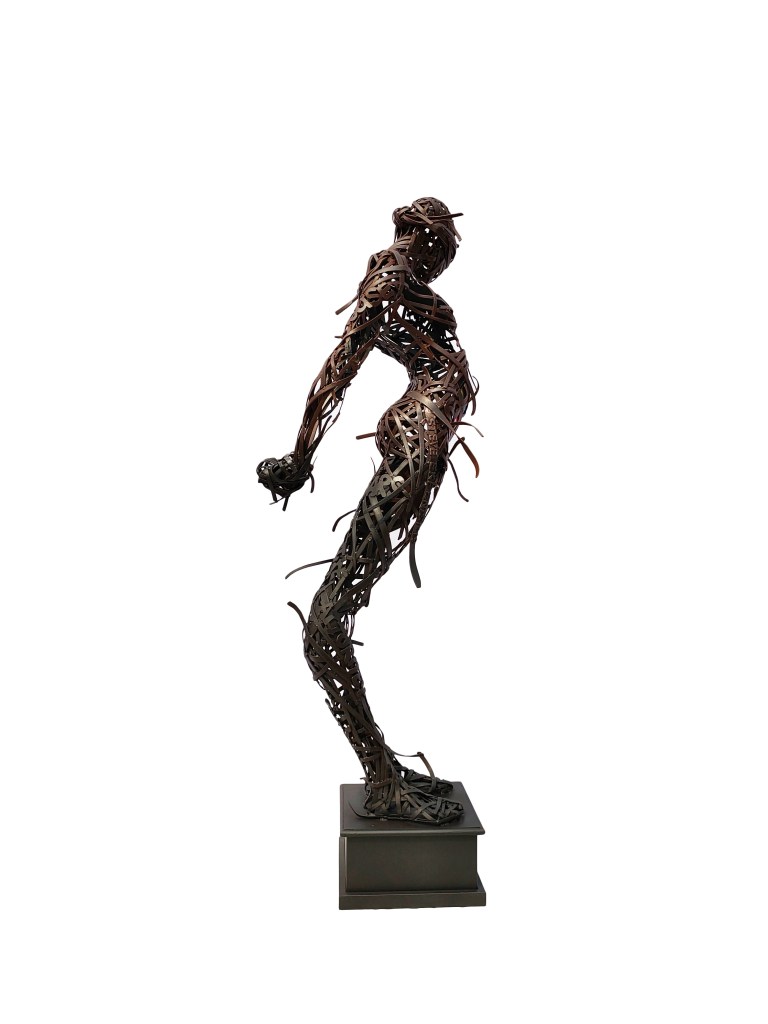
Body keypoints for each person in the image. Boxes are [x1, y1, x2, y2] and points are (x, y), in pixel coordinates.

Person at [258, 198, 478, 824]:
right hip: (414, 440)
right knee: (326, 625)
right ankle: (382, 782)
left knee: (331, 617)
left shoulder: (402, 279)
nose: (442, 258)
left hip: (420, 443)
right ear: (425, 236)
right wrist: (299, 457)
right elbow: (342, 364)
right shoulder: (391, 271)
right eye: (442, 244)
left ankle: (383, 771)